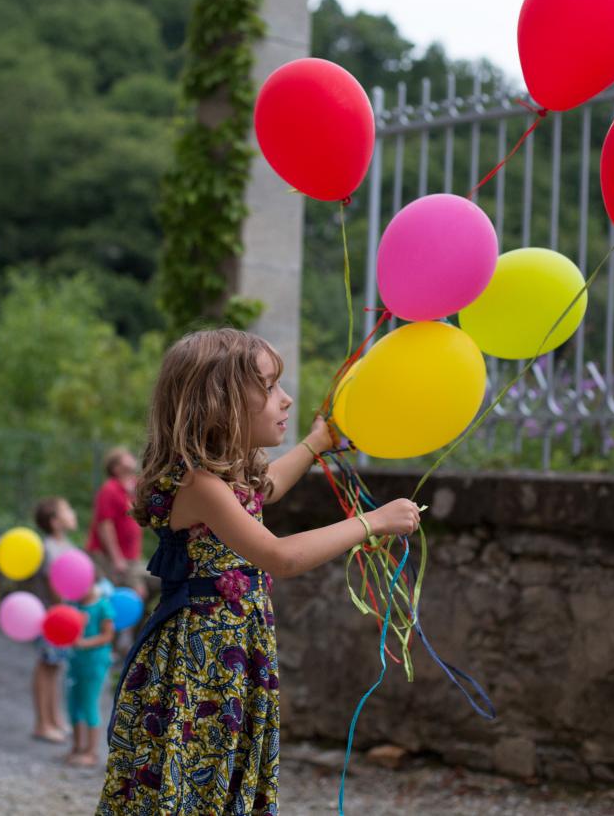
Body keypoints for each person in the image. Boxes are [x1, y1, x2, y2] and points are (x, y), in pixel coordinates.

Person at [96, 329, 421, 814]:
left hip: (232, 653)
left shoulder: (222, 477)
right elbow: (280, 557)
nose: (285, 398)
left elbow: (268, 486)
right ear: (219, 404)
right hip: (203, 663)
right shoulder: (200, 484)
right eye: (269, 388)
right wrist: (371, 522)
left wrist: (316, 442)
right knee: (199, 777)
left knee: (222, 774)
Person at [30, 496, 76, 743]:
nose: (72, 513)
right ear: (55, 522)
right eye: (67, 510)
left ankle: (54, 717)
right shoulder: (48, 547)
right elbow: (55, 584)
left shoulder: (66, 545)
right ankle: (42, 723)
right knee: (45, 666)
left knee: (55, 667)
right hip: (53, 617)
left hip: (64, 617)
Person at [66, 575, 116, 768]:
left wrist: (84, 643)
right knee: (73, 704)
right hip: (76, 662)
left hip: (95, 663)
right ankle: (77, 747)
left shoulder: (102, 606)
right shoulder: (75, 605)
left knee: (89, 704)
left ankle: (91, 752)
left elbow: (108, 636)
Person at [85, 447, 145, 598]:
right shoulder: (110, 489)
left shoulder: (133, 488)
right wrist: (117, 558)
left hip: (131, 556)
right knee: (131, 593)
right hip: (110, 556)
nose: (131, 459)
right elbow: (105, 526)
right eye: (126, 457)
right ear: (116, 468)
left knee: (142, 590)